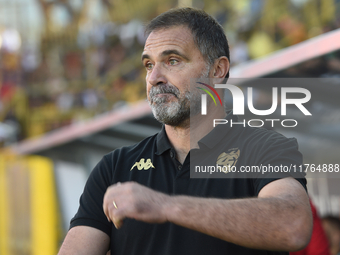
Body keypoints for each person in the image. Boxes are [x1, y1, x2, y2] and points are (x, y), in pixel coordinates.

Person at [58, 7, 312, 255]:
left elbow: (294, 226)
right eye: (148, 65)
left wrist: (166, 206)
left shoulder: (264, 148)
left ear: (217, 70)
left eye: (172, 60)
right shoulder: (115, 167)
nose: (154, 77)